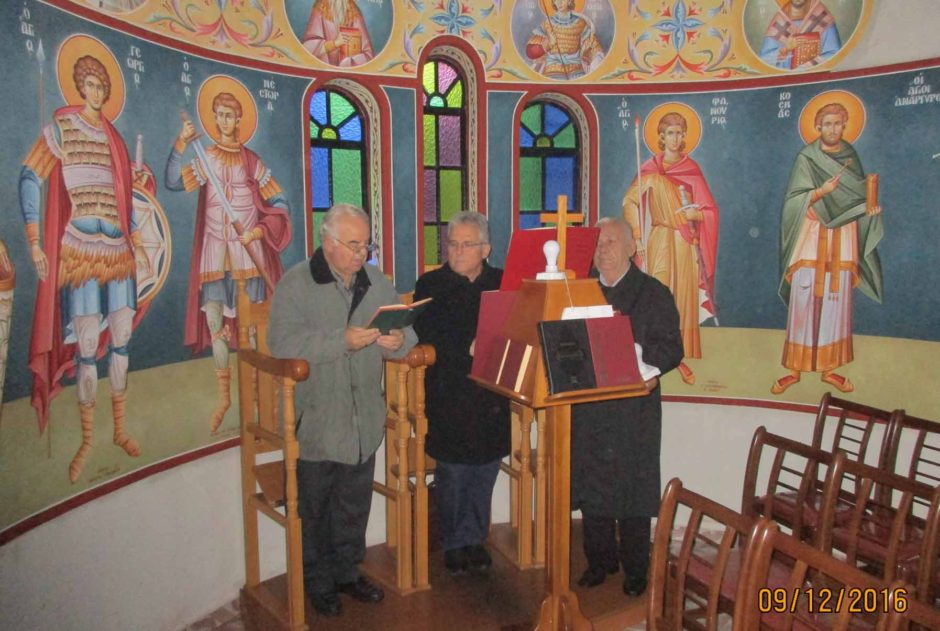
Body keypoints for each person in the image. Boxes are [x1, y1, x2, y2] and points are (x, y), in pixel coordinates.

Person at [268, 204, 416, 617]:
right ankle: (318, 581)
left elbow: (407, 328)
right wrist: (342, 341)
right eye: (353, 245)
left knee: (354, 503)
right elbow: (281, 344)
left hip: (363, 418)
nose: (361, 254)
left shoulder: (375, 280)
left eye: (366, 245)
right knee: (315, 509)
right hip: (317, 419)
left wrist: (398, 341)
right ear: (327, 241)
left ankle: (348, 572)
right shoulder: (297, 283)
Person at [19, 54, 150, 483]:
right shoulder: (63, 128)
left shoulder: (114, 139)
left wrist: (138, 241)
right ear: (80, 87)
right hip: (80, 250)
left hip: (118, 251)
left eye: (101, 86)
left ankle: (119, 429)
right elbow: (29, 175)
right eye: (89, 84)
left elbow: (125, 202)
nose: (95, 92)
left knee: (123, 338)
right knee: (89, 344)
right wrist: (35, 240)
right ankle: (88, 440)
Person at [166, 91, 291, 431]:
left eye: (229, 114)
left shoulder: (252, 162)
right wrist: (181, 143)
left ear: (239, 120)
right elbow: (173, 182)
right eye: (218, 114)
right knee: (215, 324)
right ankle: (225, 398)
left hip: (247, 254)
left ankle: (259, 397)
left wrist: (259, 231)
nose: (223, 120)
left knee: (252, 329)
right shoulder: (205, 158)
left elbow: (280, 202)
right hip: (214, 254)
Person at [572, 217, 683, 596]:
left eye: (612, 242)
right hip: (589, 406)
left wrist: (649, 369)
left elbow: (671, 348)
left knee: (633, 486)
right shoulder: (580, 291)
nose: (603, 249)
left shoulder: (653, 293)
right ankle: (599, 561)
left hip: (633, 407)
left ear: (632, 248)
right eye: (598, 243)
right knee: (593, 484)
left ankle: (636, 568)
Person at [413, 211, 509, 575]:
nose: (457, 250)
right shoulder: (430, 284)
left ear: (486, 249)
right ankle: (454, 542)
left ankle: (475, 538)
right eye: (452, 243)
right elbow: (427, 331)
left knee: (485, 468)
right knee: (453, 473)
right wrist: (467, 347)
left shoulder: (502, 282)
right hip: (449, 390)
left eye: (467, 244)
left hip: (491, 392)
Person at [771, 102, 883, 395]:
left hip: (841, 238)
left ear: (845, 126)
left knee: (836, 300)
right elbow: (793, 202)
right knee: (803, 300)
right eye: (828, 123)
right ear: (818, 126)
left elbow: (857, 198)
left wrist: (869, 210)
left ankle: (829, 369)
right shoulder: (806, 158)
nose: (833, 129)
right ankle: (794, 369)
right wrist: (822, 192)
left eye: (838, 124)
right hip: (810, 238)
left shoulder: (850, 157)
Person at [622, 111, 719, 386]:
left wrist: (696, 215)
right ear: (661, 137)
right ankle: (653, 352)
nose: (676, 138)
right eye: (670, 133)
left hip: (685, 241)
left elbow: (710, 211)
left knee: (682, 296)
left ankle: (679, 355)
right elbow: (630, 202)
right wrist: (637, 236)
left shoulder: (692, 169)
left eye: (680, 133)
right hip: (659, 238)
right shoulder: (649, 170)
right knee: (658, 293)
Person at [525, 0, 604, 80]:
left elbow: (594, 46)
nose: (559, 2)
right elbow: (530, 52)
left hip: (576, 71)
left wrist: (596, 59)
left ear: (569, 1)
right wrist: (548, 44)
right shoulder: (547, 23)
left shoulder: (580, 23)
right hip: (552, 71)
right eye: (556, 0)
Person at [760, 0, 842, 70]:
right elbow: (765, 60)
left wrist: (803, 68)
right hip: (786, 80)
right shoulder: (779, 22)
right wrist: (785, 49)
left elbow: (834, 55)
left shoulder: (822, 16)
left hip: (816, 79)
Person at [302, 0, 375, 67]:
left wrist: (348, 62)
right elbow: (308, 48)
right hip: (324, 69)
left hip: (347, 71)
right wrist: (335, 44)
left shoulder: (353, 11)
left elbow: (368, 54)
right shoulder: (320, 7)